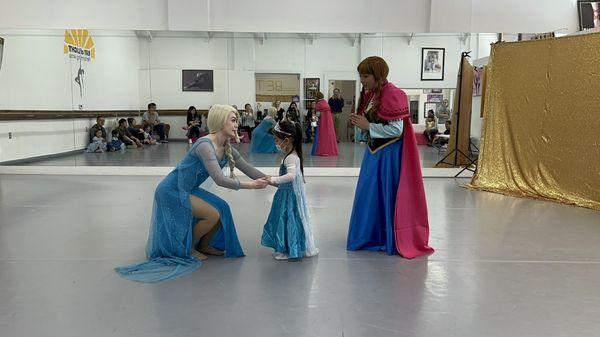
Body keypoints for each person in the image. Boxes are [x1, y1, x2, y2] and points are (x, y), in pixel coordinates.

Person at [115, 105, 269, 283]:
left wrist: (275, 180)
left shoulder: (227, 149)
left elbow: (249, 170)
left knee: (222, 208)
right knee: (212, 214)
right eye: (233, 120)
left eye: (237, 121)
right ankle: (190, 248)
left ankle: (204, 245)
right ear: (220, 121)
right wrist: (252, 186)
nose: (237, 125)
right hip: (171, 190)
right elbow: (219, 179)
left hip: (187, 188)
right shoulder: (205, 145)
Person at [348, 56, 433, 258]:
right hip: (374, 154)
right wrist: (361, 125)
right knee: (370, 194)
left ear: (378, 75)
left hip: (389, 156)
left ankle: (385, 236)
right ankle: (371, 235)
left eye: (366, 75)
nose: (362, 80)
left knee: (384, 193)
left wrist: (368, 126)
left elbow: (396, 129)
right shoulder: (371, 95)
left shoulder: (393, 94)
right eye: (361, 75)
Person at [261, 121, 319, 260]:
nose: (275, 143)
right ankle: (290, 246)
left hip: (288, 195)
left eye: (277, 140)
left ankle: (288, 249)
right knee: (287, 220)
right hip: (285, 194)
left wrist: (273, 179)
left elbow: (291, 176)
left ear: (287, 140)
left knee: (287, 220)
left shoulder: (291, 158)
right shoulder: (291, 155)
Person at [311, 92, 338, 156]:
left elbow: (316, 116)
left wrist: (313, 124)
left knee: (321, 137)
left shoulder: (318, 105)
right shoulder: (326, 103)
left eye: (315, 97)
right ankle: (330, 150)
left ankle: (320, 150)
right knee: (329, 136)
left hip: (321, 124)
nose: (315, 99)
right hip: (329, 124)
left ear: (317, 97)